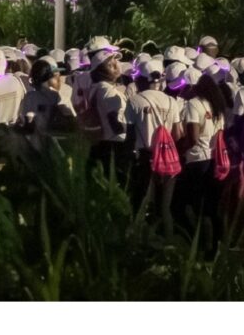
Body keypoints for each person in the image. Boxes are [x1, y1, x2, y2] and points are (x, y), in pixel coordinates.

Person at [125, 59, 183, 238]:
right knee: (165, 209)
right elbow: (178, 134)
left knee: (145, 205)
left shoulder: (135, 101)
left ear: (141, 80)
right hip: (168, 159)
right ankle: (169, 247)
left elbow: (130, 133)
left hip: (145, 158)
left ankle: (143, 245)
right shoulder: (171, 101)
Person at [178, 74, 228, 255]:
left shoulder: (194, 104)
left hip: (197, 159)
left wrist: (179, 151)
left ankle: (204, 246)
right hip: (215, 159)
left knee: (196, 205)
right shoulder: (216, 105)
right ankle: (218, 244)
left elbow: (193, 137)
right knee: (213, 205)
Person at [84, 47, 129, 178]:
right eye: (112, 61)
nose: (117, 64)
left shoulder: (99, 88)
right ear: (104, 68)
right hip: (114, 146)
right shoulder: (107, 90)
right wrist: (132, 130)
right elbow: (115, 123)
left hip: (106, 144)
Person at [20, 56, 76, 135]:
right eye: (54, 75)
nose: (58, 78)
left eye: (58, 74)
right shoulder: (31, 96)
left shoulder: (67, 90)